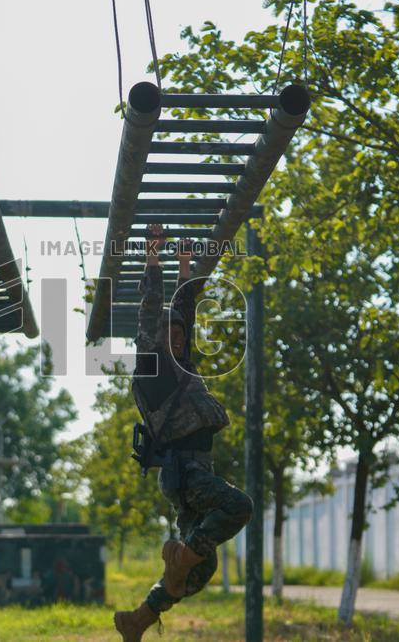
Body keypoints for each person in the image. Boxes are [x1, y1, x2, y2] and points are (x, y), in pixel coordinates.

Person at [114, 224, 253, 641]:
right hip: (185, 471)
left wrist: (186, 263)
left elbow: (185, 308)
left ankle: (136, 619)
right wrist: (153, 255)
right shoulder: (152, 367)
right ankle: (181, 559)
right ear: (154, 339)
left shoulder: (182, 362)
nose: (176, 338)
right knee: (238, 507)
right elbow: (152, 306)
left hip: (191, 470)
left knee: (199, 569)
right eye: (168, 334)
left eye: (180, 334)